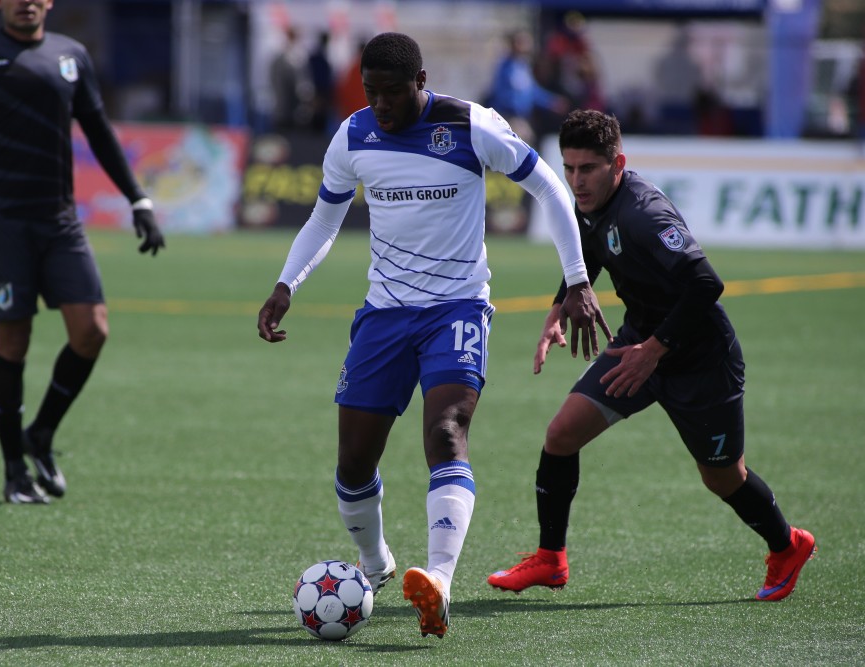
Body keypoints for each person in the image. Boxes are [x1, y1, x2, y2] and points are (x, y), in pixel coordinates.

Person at [257, 33, 608, 638]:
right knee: (352, 464)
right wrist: (287, 284)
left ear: (421, 79)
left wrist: (576, 280)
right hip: (384, 315)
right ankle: (375, 565)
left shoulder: (471, 126)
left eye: (393, 92)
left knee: (446, 433)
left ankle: (439, 581)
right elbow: (325, 214)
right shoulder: (353, 135)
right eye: (372, 93)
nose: (382, 105)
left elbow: (549, 187)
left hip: (457, 311)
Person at [486, 109, 816, 602]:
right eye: (569, 169)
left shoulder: (645, 214)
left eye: (587, 169)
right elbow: (590, 245)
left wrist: (655, 351)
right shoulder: (592, 202)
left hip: (699, 360)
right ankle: (550, 559)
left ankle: (787, 544)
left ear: (617, 163)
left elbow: (706, 283)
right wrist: (559, 307)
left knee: (723, 477)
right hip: (638, 344)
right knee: (561, 435)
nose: (576, 181)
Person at [0, 0, 166, 504]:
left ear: (49, 2)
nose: (26, 2)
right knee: (14, 342)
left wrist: (137, 198)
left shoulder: (70, 56)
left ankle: (42, 433)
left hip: (60, 222)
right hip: (1, 224)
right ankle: (13, 471)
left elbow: (98, 130)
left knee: (92, 330)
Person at [486, 29, 568, 145]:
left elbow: (533, 91)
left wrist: (551, 101)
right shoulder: (505, 67)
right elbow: (502, 93)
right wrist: (511, 111)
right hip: (509, 117)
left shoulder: (523, 66)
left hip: (522, 118)